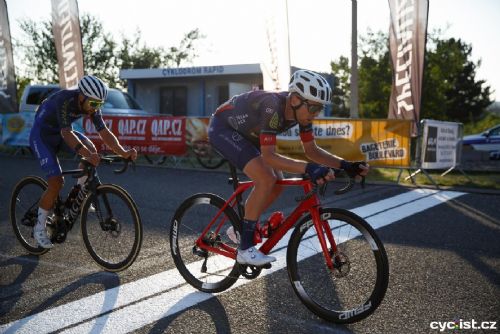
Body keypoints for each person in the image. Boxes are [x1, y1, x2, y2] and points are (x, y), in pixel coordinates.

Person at [208, 69, 369, 266]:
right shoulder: (272, 106)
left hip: (248, 136)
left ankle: (242, 227)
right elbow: (269, 155)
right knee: (266, 179)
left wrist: (346, 165)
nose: (315, 115)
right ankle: (245, 248)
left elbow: (312, 150)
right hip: (223, 129)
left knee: (277, 184)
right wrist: (309, 168)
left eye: (319, 109)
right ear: (295, 100)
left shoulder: (301, 114)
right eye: (313, 108)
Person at [29, 75, 138, 249]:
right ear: (82, 96)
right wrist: (86, 154)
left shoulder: (92, 105)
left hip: (61, 133)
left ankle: (80, 192)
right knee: (56, 182)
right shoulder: (64, 100)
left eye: (100, 104)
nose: (96, 108)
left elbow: (104, 132)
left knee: (92, 149)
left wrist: (123, 152)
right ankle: (39, 227)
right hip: (42, 137)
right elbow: (66, 133)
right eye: (94, 103)